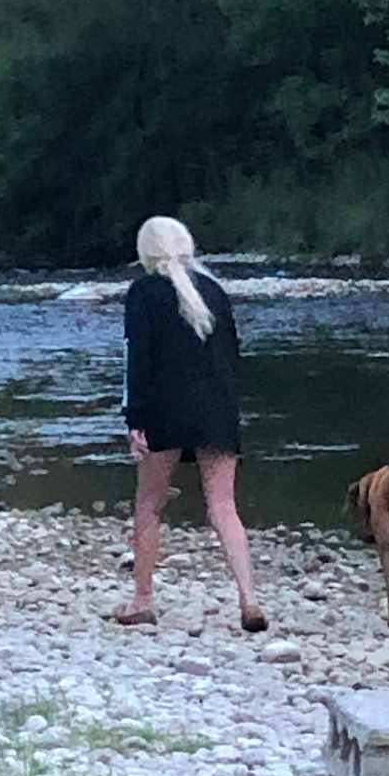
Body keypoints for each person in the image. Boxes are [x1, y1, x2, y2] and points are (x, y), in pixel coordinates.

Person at [114, 216, 267, 633]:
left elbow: (137, 358)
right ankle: (249, 598)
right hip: (217, 408)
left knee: (149, 503)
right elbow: (232, 354)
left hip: (163, 408)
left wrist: (135, 418)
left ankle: (142, 598)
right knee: (223, 506)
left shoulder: (143, 293)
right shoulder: (214, 291)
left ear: (146, 251)